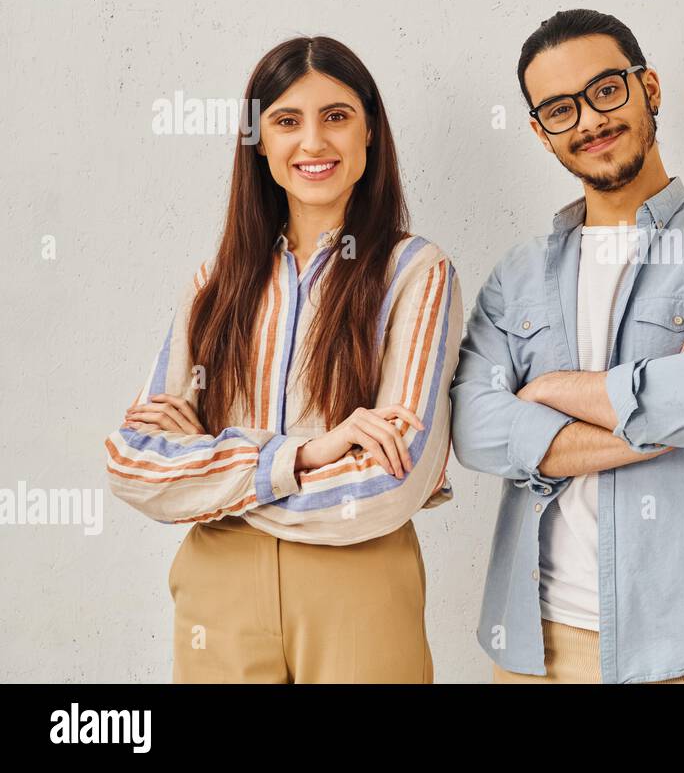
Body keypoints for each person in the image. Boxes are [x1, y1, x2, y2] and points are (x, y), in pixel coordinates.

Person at [105, 36, 461, 683]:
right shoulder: (215, 284)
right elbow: (131, 462)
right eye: (287, 121)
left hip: (358, 584)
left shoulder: (416, 273)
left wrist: (214, 477)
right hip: (219, 591)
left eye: (337, 116)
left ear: (371, 131)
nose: (314, 143)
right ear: (259, 142)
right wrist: (300, 456)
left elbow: (393, 480)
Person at [451, 8, 684, 683]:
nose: (589, 121)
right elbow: (472, 428)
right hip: (540, 644)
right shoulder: (516, 277)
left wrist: (549, 393)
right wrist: (668, 409)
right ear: (540, 132)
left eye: (606, 90)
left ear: (649, 88)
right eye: (560, 109)